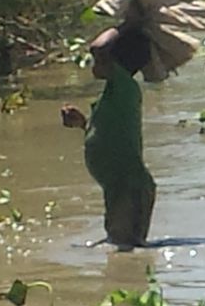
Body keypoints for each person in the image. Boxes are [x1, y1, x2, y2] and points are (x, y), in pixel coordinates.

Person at [61, 25, 156, 250]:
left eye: (101, 60)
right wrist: (83, 124)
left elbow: (99, 47)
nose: (95, 63)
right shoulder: (112, 97)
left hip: (130, 187)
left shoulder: (126, 87)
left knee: (125, 250)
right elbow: (109, 135)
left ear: (116, 64)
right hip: (117, 188)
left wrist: (128, 21)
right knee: (119, 245)